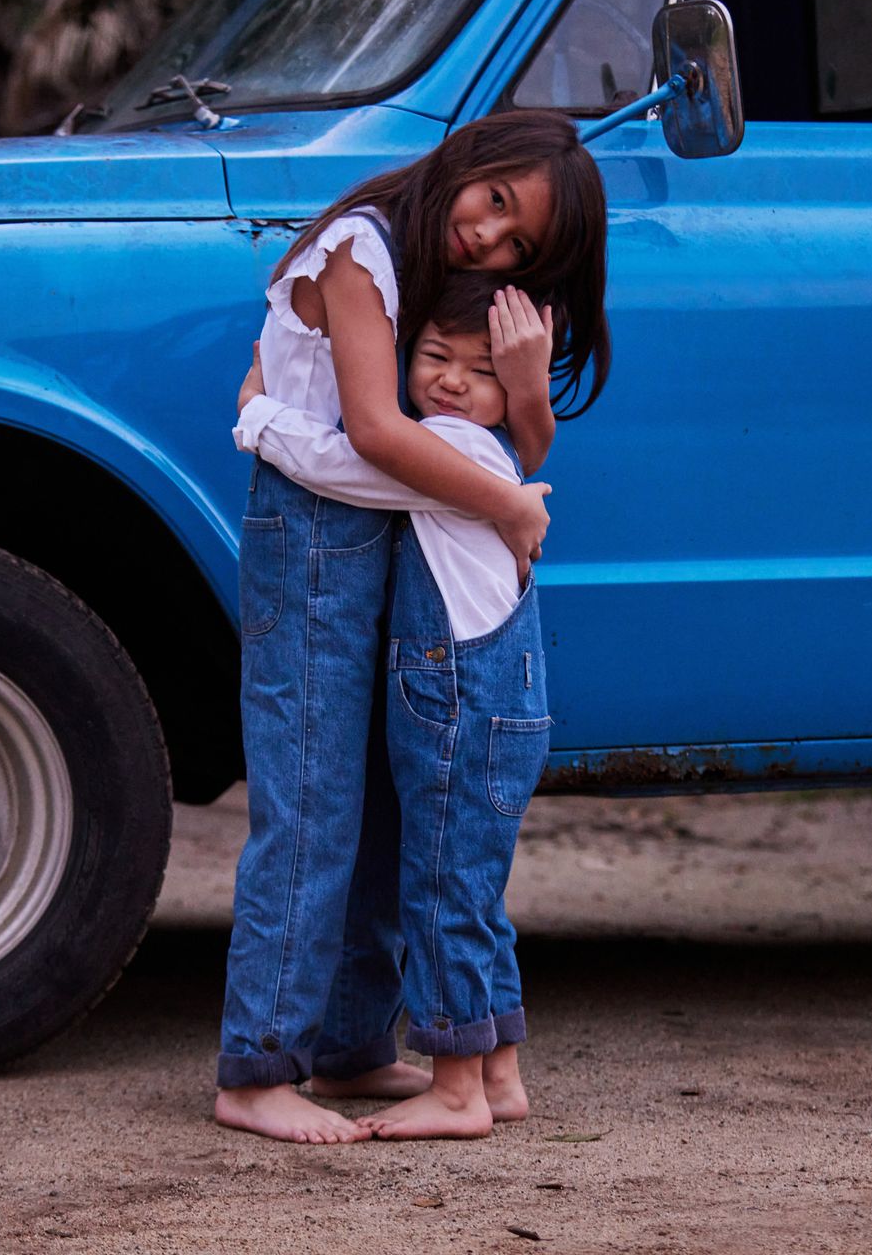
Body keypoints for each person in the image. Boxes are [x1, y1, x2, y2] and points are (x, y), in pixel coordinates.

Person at [215, 110, 610, 1145]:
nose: (486, 239)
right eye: (492, 204)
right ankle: (255, 1064)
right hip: (314, 534)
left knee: (386, 798)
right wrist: (506, 507)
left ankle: (348, 1039)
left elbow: (476, 446)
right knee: (308, 794)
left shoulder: (426, 268)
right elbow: (382, 435)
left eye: (517, 243)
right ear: (467, 162)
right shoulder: (363, 249)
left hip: (384, 528)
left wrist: (525, 397)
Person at [235, 273, 553, 1138]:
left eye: (479, 370)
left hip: (463, 699)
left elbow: (349, 466)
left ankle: (457, 1094)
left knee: (443, 889)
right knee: (475, 892)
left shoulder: (457, 455)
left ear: (509, 389)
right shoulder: (492, 454)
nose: (450, 381)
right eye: (434, 357)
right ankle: (499, 1072)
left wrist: (260, 415)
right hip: (504, 696)